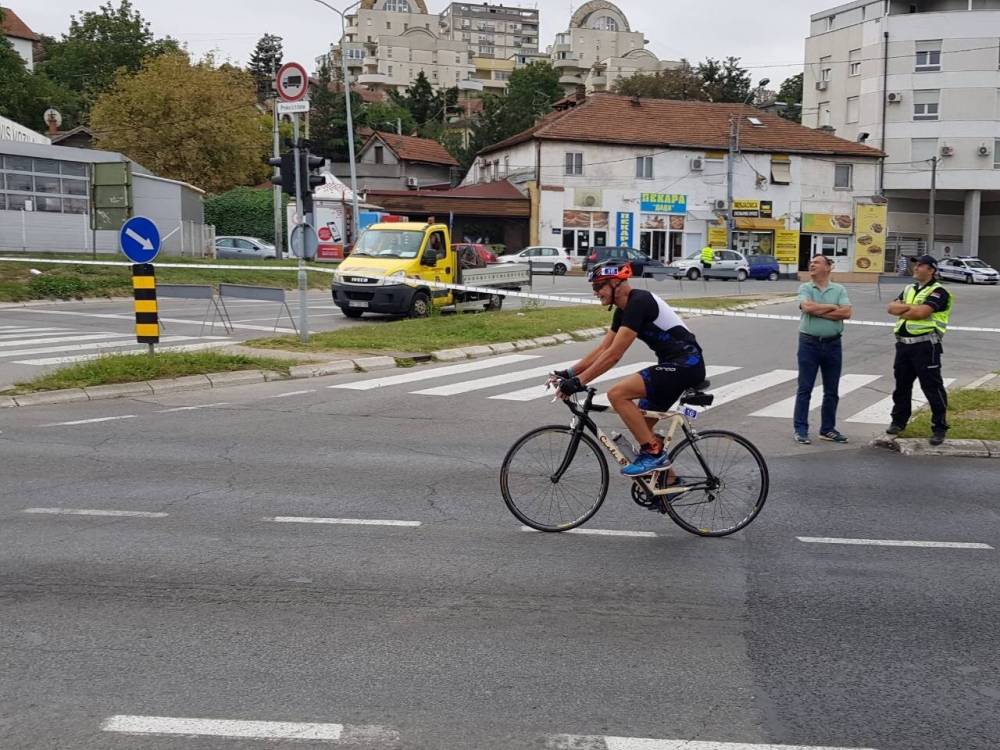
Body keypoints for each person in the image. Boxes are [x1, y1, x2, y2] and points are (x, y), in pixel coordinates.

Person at [554, 261, 706, 478]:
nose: (595, 292)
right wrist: (569, 373)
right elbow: (603, 349)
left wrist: (579, 382)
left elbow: (614, 355)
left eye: (598, 286)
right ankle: (669, 482)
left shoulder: (639, 302)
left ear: (616, 283)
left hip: (687, 365)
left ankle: (654, 455)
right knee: (642, 428)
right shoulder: (622, 311)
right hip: (672, 366)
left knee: (617, 394)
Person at [886, 254, 953, 446]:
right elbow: (891, 308)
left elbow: (921, 313)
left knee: (932, 387)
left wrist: (906, 309)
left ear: (931, 270)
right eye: (915, 265)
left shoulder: (939, 292)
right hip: (904, 345)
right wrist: (910, 308)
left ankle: (939, 426)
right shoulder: (909, 288)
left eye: (920, 265)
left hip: (926, 346)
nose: (915, 268)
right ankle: (899, 421)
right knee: (902, 386)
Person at [793, 255, 853, 445]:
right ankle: (801, 429)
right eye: (810, 262)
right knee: (805, 388)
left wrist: (819, 311)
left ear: (828, 267)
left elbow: (847, 312)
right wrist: (832, 307)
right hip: (809, 344)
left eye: (816, 262)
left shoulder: (839, 289)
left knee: (832, 390)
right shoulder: (805, 287)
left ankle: (827, 429)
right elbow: (807, 307)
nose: (811, 264)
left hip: (833, 344)